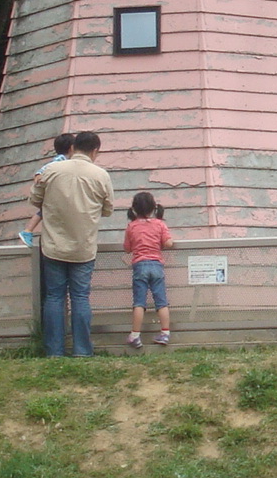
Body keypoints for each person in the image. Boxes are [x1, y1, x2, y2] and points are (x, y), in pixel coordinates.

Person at [29, 131, 114, 358]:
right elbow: (107, 209)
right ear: (95, 151)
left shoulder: (51, 170)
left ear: (73, 147)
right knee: (80, 297)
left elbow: (35, 199)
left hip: (53, 245)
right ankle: (82, 350)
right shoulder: (101, 175)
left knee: (54, 297)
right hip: (84, 247)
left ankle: (54, 351)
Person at [124, 190, 173, 349]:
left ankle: (135, 335)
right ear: (153, 207)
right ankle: (165, 333)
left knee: (139, 302)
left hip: (140, 265)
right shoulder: (159, 224)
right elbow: (168, 243)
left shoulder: (131, 226)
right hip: (156, 265)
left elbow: (127, 248)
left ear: (134, 209)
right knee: (161, 302)